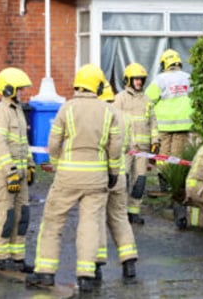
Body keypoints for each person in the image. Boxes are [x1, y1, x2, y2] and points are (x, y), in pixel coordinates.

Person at [25, 64, 122, 294]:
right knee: (89, 224)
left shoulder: (66, 109)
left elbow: (54, 143)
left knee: (52, 222)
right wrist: (113, 173)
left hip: (67, 177)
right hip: (97, 178)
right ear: (98, 85)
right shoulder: (108, 111)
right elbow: (115, 146)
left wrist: (58, 165)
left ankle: (45, 272)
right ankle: (86, 275)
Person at [0, 67, 36, 272]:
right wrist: (10, 171)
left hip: (19, 175)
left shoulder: (18, 111)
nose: (23, 93)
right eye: (20, 89)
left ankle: (17, 256)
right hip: (2, 176)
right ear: (8, 90)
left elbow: (23, 143)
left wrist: (30, 165)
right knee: (4, 215)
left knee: (22, 215)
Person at [95, 83, 139, 285]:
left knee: (96, 218)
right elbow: (130, 147)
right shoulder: (124, 117)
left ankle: (95, 265)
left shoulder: (97, 116)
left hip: (100, 175)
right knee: (120, 217)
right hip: (119, 176)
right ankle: (129, 260)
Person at [113, 62, 158, 225]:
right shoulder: (120, 99)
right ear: (128, 80)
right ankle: (120, 213)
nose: (139, 82)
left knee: (139, 182)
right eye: (135, 79)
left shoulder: (148, 100)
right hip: (125, 149)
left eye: (141, 79)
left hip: (143, 151)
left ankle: (134, 212)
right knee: (121, 182)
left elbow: (153, 122)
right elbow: (115, 122)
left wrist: (155, 141)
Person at [145, 48, 194, 159]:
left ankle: (162, 175)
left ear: (164, 63)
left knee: (163, 154)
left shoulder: (160, 79)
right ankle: (174, 175)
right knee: (177, 155)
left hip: (163, 126)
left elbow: (147, 99)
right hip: (183, 125)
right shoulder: (188, 78)